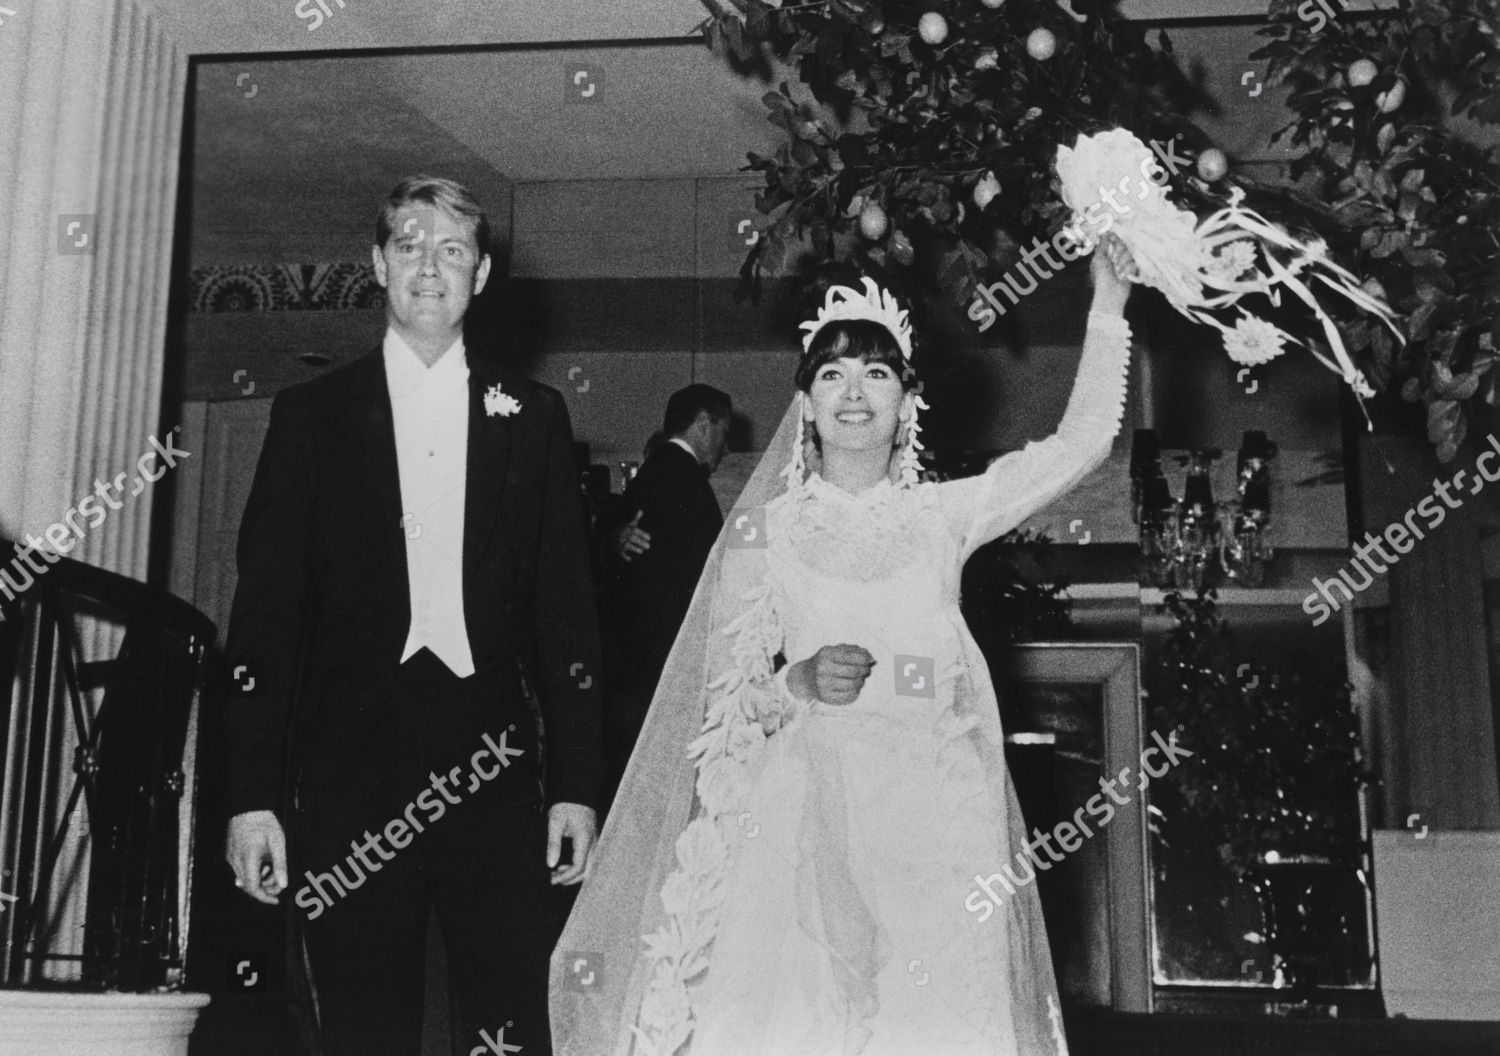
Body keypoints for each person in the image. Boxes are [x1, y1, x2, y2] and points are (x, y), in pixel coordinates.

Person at [551, 237, 1137, 1055]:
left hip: (931, 815)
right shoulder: (767, 532)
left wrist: (1106, 306)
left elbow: (1081, 447)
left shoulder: (945, 516)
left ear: (907, 399)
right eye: (832, 374)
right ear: (807, 402)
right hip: (800, 813)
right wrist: (796, 681)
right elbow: (720, 698)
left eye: (876, 373)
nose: (854, 393)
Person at [222, 175, 603, 1056]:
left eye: (454, 249)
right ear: (376, 264)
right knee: (362, 1023)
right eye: (410, 244)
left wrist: (578, 785)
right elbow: (266, 620)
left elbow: (567, 618)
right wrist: (252, 800)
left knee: (511, 1018)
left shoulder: (535, 417)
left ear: (482, 275)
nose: (431, 265)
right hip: (351, 767)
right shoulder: (309, 416)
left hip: (496, 766)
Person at [599, 384, 731, 808]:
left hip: (632, 667)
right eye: (722, 431)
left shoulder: (650, 474)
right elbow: (712, 578)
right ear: (705, 424)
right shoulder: (685, 479)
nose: (724, 447)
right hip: (668, 665)